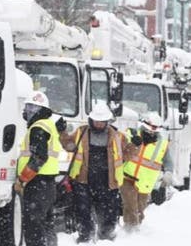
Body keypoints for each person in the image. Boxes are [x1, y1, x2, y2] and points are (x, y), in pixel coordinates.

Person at [59, 102, 137, 243]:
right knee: (83, 212)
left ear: (107, 121)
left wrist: (134, 145)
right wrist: (62, 132)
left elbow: (127, 154)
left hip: (108, 182)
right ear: (91, 120)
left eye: (102, 122)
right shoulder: (81, 132)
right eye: (96, 121)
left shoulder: (118, 136)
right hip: (83, 180)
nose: (99, 124)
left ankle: (106, 237)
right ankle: (85, 237)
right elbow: (69, 145)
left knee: (109, 213)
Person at [14, 91, 66, 246]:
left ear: (38, 110)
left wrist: (22, 179)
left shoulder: (38, 128)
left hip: (37, 183)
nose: (26, 111)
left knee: (34, 226)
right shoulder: (49, 125)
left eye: (30, 108)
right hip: (47, 184)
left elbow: (39, 157)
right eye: (27, 107)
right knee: (47, 225)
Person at [121, 112, 173, 232]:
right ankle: (131, 230)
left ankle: (134, 227)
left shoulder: (162, 145)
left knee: (140, 208)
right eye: (150, 128)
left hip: (145, 183)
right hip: (127, 176)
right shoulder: (131, 134)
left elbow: (168, 161)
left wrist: (168, 172)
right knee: (130, 203)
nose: (152, 132)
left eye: (155, 129)